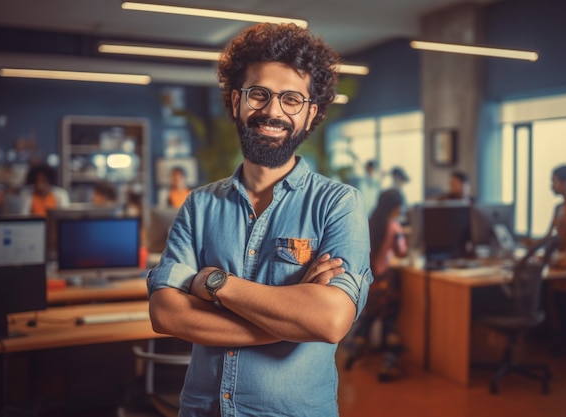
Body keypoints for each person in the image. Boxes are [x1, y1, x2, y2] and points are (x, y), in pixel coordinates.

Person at [146, 23, 372, 417]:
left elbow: (331, 319)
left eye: (291, 100)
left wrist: (213, 283)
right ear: (237, 101)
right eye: (259, 95)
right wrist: (289, 323)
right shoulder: (199, 205)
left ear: (310, 114)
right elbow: (166, 314)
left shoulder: (339, 204)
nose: (272, 111)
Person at [344, 189, 407, 382]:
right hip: (384, 284)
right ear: (396, 208)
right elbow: (402, 252)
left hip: (367, 283)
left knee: (368, 318)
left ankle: (353, 354)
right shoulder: (394, 227)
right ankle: (388, 366)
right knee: (389, 322)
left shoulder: (368, 224)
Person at [526, 164, 566, 354]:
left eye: (555, 182)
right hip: (558, 261)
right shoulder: (559, 208)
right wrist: (531, 245)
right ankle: (547, 335)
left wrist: (564, 258)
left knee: (562, 302)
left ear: (565, 184)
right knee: (548, 294)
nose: (552, 186)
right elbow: (550, 235)